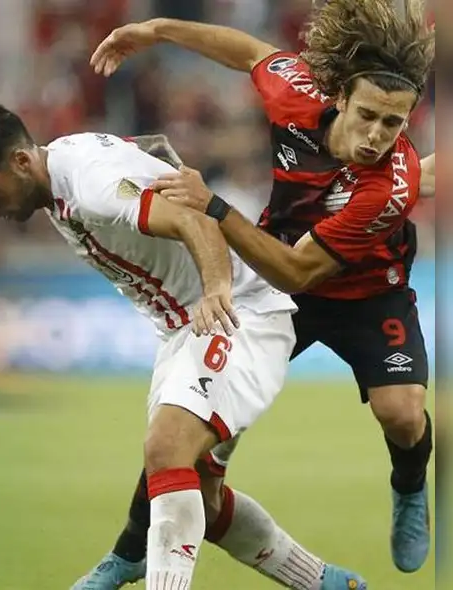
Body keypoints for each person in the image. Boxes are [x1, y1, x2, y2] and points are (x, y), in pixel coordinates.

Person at [0, 103, 366, 590]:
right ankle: (327, 583)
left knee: (167, 447)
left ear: (21, 162)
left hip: (236, 311)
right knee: (202, 496)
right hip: (182, 330)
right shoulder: (64, 164)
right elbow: (147, 149)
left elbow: (196, 222)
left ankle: (144, 569)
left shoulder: (91, 186)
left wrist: (217, 287)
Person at [79, 0, 434, 586]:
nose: (375, 136)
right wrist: (156, 30)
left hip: (367, 294)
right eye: (367, 114)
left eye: (392, 125)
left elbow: (302, 270)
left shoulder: (392, 183)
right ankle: (129, 551)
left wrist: (215, 207)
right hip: (269, 285)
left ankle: (411, 484)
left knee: (401, 414)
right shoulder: (296, 93)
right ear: (341, 97)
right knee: (189, 416)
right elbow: (247, 52)